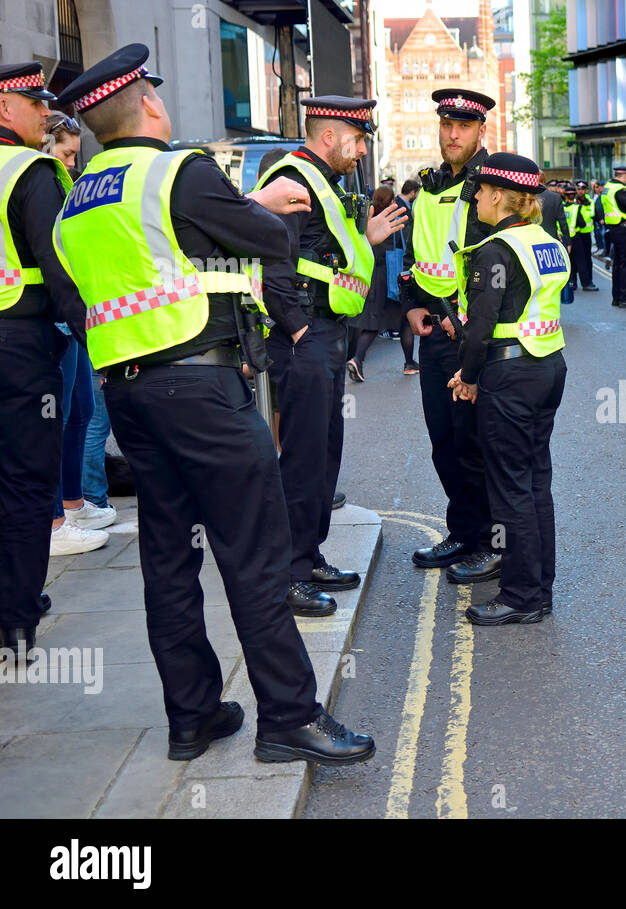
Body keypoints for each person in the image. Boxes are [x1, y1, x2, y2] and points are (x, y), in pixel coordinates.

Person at [53, 44, 373, 763]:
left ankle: (192, 716)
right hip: (203, 388)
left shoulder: (75, 199)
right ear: (150, 104)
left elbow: (77, 300)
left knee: (168, 560)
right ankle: (289, 718)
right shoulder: (177, 171)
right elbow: (269, 238)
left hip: (130, 395)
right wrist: (252, 207)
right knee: (254, 554)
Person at [256, 95, 404, 617]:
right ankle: (291, 574)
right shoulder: (292, 176)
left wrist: (369, 238)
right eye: (358, 139)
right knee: (301, 458)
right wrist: (295, 328)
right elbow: (272, 255)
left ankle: (310, 554)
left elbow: (320, 252)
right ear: (329, 136)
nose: (361, 150)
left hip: (326, 330)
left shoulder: (325, 181)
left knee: (324, 452)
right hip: (305, 333)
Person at [446, 153, 566, 625]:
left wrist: (469, 377)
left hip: (509, 375)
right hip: (547, 366)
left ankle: (519, 597)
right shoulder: (545, 241)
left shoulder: (495, 250)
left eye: (479, 191)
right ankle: (540, 589)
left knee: (511, 489)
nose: (474, 196)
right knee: (536, 483)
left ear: (498, 195)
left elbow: (479, 328)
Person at [405, 88, 502, 584]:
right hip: (436, 331)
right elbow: (418, 257)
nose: (453, 134)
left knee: (477, 442)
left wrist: (464, 321)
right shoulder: (429, 184)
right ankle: (463, 531)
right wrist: (415, 305)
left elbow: (496, 265)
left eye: (463, 126)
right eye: (447, 125)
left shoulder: (492, 184)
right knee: (443, 438)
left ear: (480, 130)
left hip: (475, 334)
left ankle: (491, 544)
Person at [0, 62, 78, 652]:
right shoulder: (31, 170)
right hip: (19, 347)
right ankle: (16, 618)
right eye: (34, 104)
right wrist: (91, 335)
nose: (44, 116)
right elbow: (60, 266)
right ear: (5, 108)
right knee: (27, 482)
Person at [346, 183, 407, 381]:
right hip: (385, 276)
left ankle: (357, 358)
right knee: (378, 321)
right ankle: (357, 358)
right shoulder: (391, 221)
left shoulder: (365, 218)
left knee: (368, 319)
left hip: (366, 273)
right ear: (390, 201)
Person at [603, 165, 626, 307]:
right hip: (623, 229)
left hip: (613, 229)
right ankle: (625, 298)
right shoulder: (619, 189)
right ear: (624, 176)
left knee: (617, 264)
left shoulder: (608, 186)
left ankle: (616, 297)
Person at [567, 180, 597, 291]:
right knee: (574, 260)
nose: (580, 191)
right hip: (576, 233)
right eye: (578, 189)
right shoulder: (572, 202)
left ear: (586, 190)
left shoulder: (590, 201)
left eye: (583, 189)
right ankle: (574, 282)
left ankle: (589, 281)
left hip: (586, 234)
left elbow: (594, 215)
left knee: (587, 259)